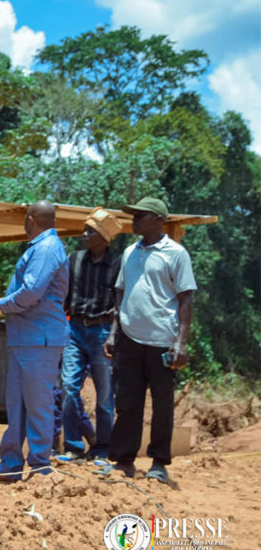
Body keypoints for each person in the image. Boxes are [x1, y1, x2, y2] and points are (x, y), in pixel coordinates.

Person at [104, 197, 196, 483]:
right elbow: (120, 292)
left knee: (162, 402)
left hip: (162, 340)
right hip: (129, 338)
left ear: (157, 220)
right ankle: (124, 459)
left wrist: (180, 341)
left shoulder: (176, 253)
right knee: (128, 401)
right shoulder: (130, 252)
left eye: (140, 216)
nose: (133, 221)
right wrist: (113, 332)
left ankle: (159, 462)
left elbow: (186, 297)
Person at [0, 200, 69, 483]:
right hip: (26, 338)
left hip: (38, 339)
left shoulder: (44, 248)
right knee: (17, 403)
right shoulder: (42, 247)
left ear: (30, 219)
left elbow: (31, 293)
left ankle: (40, 466)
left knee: (38, 403)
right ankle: (11, 463)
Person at [58, 207, 122, 461]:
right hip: (75, 330)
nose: (84, 234)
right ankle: (73, 447)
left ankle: (102, 449)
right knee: (68, 388)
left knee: (104, 395)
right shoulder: (74, 259)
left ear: (104, 237)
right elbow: (64, 296)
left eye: (90, 231)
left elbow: (121, 302)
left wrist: (113, 336)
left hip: (103, 331)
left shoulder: (118, 263)